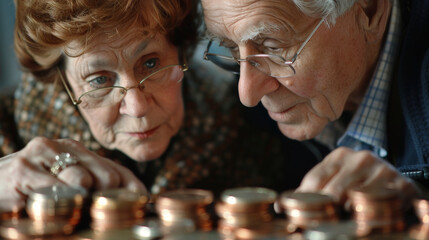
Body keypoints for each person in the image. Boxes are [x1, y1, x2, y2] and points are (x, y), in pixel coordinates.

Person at [0, 0, 287, 212]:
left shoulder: (252, 124)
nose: (137, 107)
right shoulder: (7, 131)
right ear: (60, 79)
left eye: (151, 63)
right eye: (100, 79)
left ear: (182, 50)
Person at [201, 0, 429, 204]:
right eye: (230, 48)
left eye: (273, 48)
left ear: (370, 11)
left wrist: (421, 207)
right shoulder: (248, 125)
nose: (247, 95)